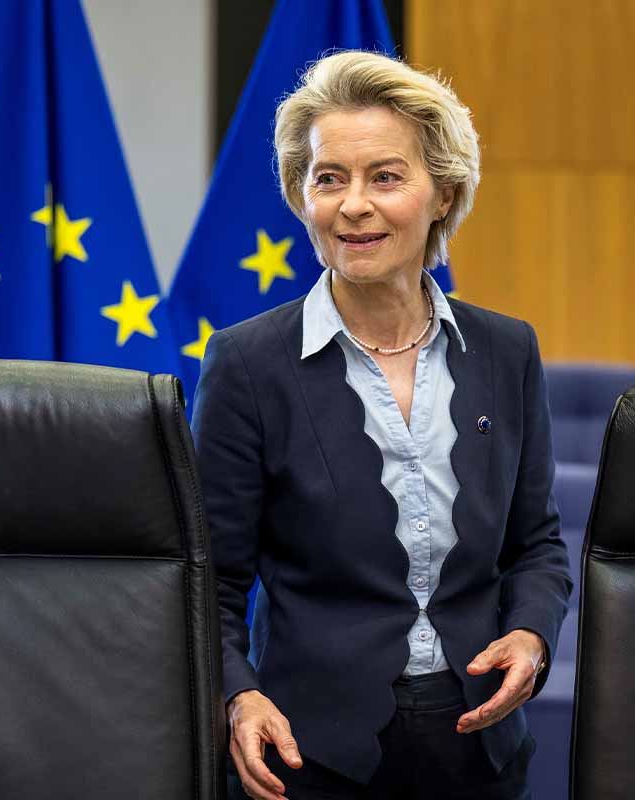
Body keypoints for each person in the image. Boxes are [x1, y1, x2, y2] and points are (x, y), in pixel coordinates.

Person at [190, 51, 573, 800]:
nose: (353, 205)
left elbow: (537, 545)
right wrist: (237, 694)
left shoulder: (507, 350)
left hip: (482, 752)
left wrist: (531, 636)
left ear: (443, 193)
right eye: (328, 178)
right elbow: (211, 581)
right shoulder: (247, 364)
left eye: (386, 177)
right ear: (301, 196)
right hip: (306, 756)